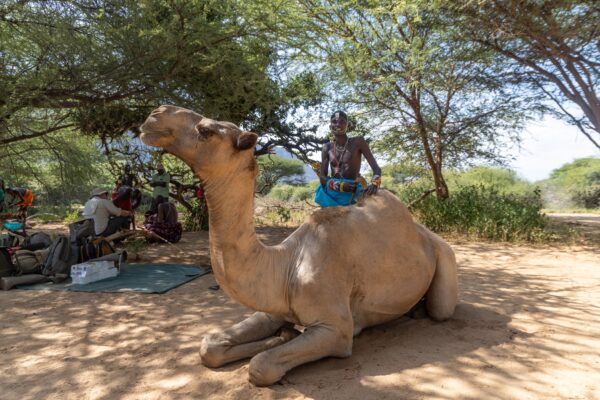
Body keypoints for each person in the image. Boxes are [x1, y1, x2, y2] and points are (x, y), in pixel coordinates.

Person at [315, 110, 382, 207]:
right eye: (334, 121)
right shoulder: (327, 147)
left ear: (347, 125)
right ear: (330, 126)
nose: (338, 124)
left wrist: (375, 184)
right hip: (332, 192)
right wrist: (339, 186)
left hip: (352, 190)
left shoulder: (358, 142)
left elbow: (376, 169)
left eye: (342, 121)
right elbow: (322, 177)